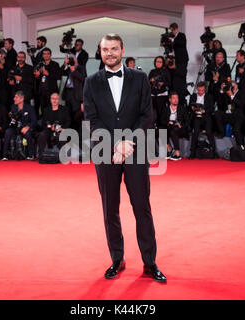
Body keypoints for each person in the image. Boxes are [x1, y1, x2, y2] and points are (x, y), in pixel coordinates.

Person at [83, 33, 166, 282]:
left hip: (135, 150)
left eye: (114, 48)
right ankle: (117, 259)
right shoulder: (91, 82)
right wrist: (114, 144)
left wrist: (127, 143)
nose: (109, 53)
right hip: (105, 152)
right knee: (110, 209)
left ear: (122, 50)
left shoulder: (140, 78)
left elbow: (146, 116)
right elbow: (92, 118)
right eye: (105, 49)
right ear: (100, 52)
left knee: (142, 207)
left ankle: (150, 263)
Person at [2, 91, 37, 160]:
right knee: (8, 132)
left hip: (26, 128)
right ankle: (5, 155)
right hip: (16, 127)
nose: (14, 99)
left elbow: (34, 120)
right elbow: (12, 120)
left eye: (16, 97)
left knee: (28, 133)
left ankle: (31, 155)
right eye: (14, 97)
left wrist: (28, 127)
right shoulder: (13, 107)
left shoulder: (29, 108)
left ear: (22, 99)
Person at [188, 82, 217, 159]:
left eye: (202, 90)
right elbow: (189, 107)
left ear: (205, 90)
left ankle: (214, 152)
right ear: (197, 89)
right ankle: (192, 152)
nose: (200, 92)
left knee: (209, 132)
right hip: (196, 116)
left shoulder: (209, 97)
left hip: (206, 116)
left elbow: (212, 108)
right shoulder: (193, 96)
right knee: (195, 132)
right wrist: (193, 109)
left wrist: (204, 111)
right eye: (199, 90)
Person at [158, 92, 190, 160]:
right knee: (161, 130)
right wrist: (168, 122)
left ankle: (177, 153)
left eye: (177, 98)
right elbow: (161, 120)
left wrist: (181, 124)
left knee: (173, 130)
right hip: (169, 126)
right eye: (174, 98)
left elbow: (187, 121)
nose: (176, 100)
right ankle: (169, 149)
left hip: (179, 128)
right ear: (170, 99)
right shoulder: (165, 109)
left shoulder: (182, 108)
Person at [33, 48, 62, 116]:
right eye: (44, 54)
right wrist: (37, 76)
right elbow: (37, 78)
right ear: (42, 55)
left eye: (47, 54)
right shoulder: (39, 65)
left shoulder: (55, 64)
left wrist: (48, 74)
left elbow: (58, 76)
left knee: (52, 110)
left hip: (51, 91)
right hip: (41, 91)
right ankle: (44, 125)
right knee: (43, 110)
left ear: (50, 55)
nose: (46, 55)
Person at [148, 56, 171, 124]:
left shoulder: (166, 71)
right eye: (157, 61)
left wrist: (163, 83)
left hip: (161, 95)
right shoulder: (152, 71)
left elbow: (169, 83)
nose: (158, 63)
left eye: (160, 62)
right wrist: (150, 80)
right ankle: (152, 129)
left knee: (160, 114)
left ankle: (160, 131)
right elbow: (147, 83)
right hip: (152, 95)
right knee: (151, 114)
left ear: (163, 63)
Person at [169, 23, 188, 98]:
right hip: (176, 59)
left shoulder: (182, 35)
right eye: (171, 30)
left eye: (173, 30)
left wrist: (173, 40)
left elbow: (182, 43)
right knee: (176, 76)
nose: (172, 32)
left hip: (182, 59)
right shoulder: (173, 37)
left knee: (181, 74)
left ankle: (182, 92)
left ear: (176, 29)